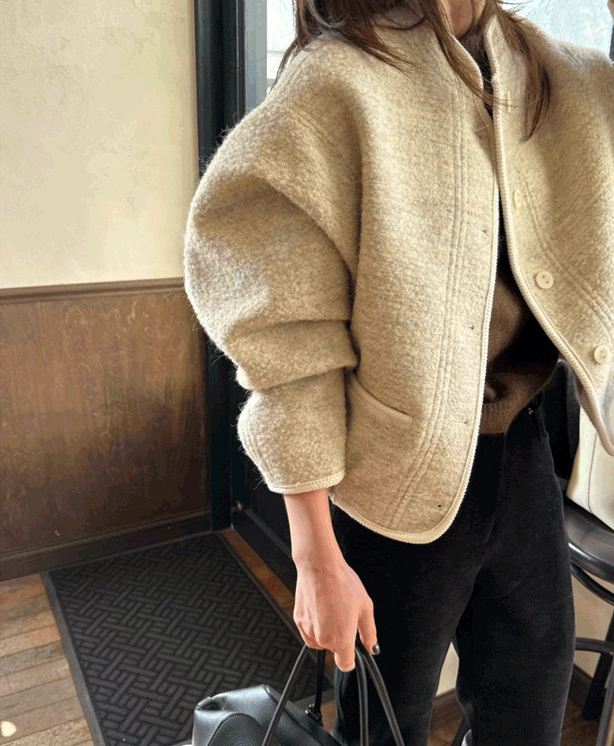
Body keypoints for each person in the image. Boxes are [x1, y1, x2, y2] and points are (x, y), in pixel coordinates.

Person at [183, 0, 614, 743]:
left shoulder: (557, 74)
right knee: (384, 727)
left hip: (525, 460)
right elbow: (287, 335)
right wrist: (315, 556)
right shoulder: (338, 80)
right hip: (389, 486)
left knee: (530, 718)